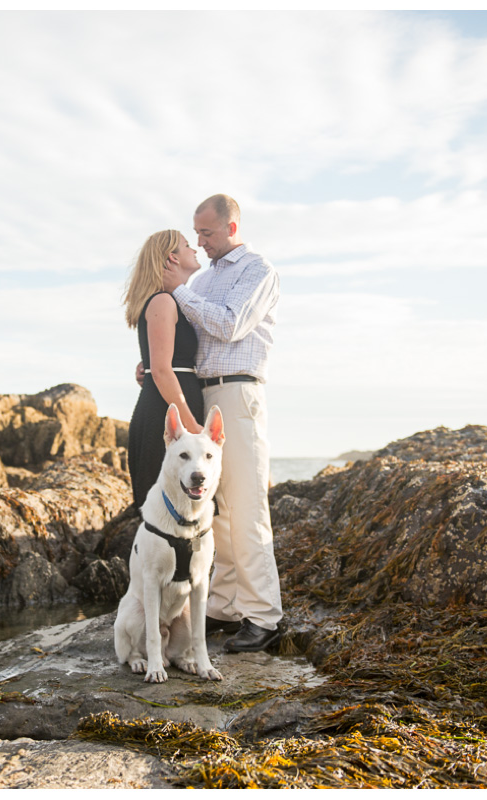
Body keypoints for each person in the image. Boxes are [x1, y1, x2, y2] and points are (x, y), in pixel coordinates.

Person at [170, 193, 282, 653]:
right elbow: (189, 332)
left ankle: (263, 616)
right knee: (218, 510)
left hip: (238, 391)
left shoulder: (258, 270)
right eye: (196, 232)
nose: (200, 240)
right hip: (203, 390)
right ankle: (224, 604)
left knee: (248, 504)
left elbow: (230, 325)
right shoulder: (206, 276)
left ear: (232, 227)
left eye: (207, 233)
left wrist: (179, 290)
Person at [123, 230, 205, 509]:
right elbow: (160, 371)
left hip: (171, 405)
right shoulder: (163, 301)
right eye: (186, 245)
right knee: (163, 513)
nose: (194, 249)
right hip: (165, 413)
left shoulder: (174, 301)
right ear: (173, 257)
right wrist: (192, 428)